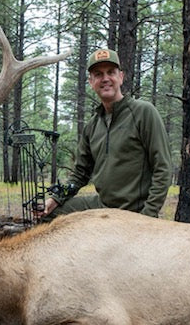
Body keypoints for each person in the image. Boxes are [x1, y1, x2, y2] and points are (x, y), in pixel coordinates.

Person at [38, 48, 173, 219]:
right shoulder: (92, 126)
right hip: (103, 206)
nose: (105, 79)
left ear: (121, 77)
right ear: (91, 82)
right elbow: (80, 174)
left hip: (134, 211)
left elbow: (163, 168)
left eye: (111, 72)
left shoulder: (143, 113)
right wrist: (56, 198)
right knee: (50, 215)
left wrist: (148, 216)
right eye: (98, 74)